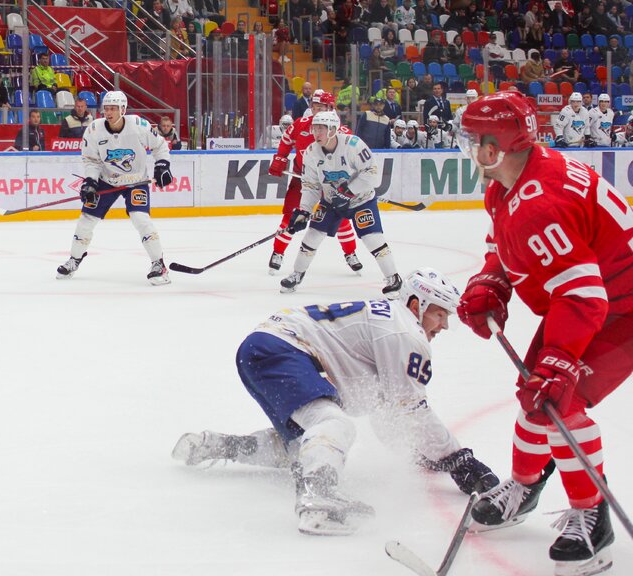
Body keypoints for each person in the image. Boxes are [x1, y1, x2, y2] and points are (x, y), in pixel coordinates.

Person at [173, 270, 497, 535]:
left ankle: (219, 445)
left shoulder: (390, 322)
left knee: (305, 445)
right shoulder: (405, 334)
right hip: (284, 349)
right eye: (440, 314)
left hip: (266, 346)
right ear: (417, 305)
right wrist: (458, 459)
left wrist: (421, 453)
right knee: (334, 425)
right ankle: (318, 499)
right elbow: (410, 407)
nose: (444, 325)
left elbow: (387, 411)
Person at [455, 91, 633, 575]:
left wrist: (560, 360)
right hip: (588, 300)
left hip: (620, 310)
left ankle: (592, 516)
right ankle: (525, 485)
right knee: (536, 396)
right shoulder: (511, 182)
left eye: (474, 139)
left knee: (561, 402)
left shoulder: (540, 203)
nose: (469, 148)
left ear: (497, 146)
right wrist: (492, 279)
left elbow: (585, 296)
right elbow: (505, 244)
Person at [279, 111, 402, 297]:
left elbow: (372, 174)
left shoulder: (353, 145)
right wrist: (304, 210)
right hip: (331, 202)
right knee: (312, 235)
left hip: (361, 201)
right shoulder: (311, 151)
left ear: (333, 129)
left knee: (372, 238)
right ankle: (297, 274)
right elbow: (311, 185)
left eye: (321, 128)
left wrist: (348, 191)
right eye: (315, 128)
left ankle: (393, 278)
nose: (316, 133)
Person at [56, 91, 173, 285]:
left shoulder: (139, 126)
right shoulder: (94, 129)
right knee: (86, 219)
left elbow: (160, 146)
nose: (108, 112)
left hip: (136, 181)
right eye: (106, 108)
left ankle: (159, 264)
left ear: (123, 109)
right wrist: (91, 181)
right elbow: (91, 159)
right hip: (106, 180)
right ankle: (74, 259)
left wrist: (162, 165)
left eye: (113, 108)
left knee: (141, 219)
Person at [268, 90, 361, 276]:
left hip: (329, 183)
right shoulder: (301, 124)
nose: (317, 111)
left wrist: (354, 177)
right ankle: (277, 252)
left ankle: (350, 253)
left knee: (341, 220)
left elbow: (354, 154)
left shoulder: (340, 131)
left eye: (321, 107)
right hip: (302, 180)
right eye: (315, 107)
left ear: (330, 108)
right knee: (290, 217)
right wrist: (280, 157)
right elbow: (286, 140)